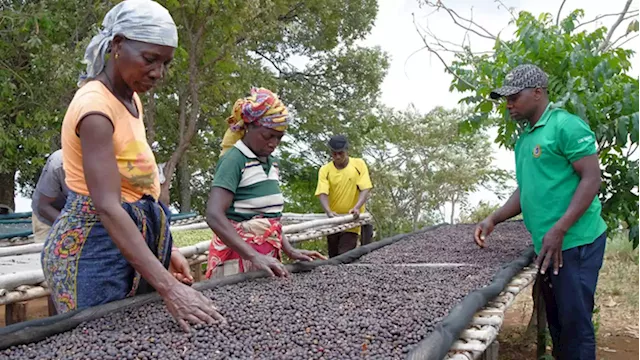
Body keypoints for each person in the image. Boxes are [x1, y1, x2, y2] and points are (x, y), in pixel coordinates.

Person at [40, 0, 222, 332]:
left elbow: (138, 188)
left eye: (165, 63)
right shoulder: (95, 109)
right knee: (101, 339)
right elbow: (108, 206)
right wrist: (168, 286)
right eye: (150, 59)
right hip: (93, 251)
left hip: (127, 241)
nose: (158, 73)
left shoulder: (130, 98)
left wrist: (166, 250)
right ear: (118, 45)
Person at [474, 64, 607, 360]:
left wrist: (559, 229)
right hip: (548, 245)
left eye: (514, 97)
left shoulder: (565, 126)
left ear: (537, 93)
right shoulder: (525, 140)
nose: (508, 105)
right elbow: (526, 190)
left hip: (576, 242)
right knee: (559, 325)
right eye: (505, 99)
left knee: (575, 326)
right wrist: (493, 218)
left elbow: (591, 178)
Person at [204, 87, 326, 279]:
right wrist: (254, 256)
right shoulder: (234, 159)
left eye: (279, 137)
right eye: (268, 136)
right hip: (237, 261)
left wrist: (290, 251)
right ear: (249, 127)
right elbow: (214, 215)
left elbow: (271, 219)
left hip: (265, 260)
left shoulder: (271, 163)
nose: (273, 143)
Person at [314, 135, 373, 258]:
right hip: (334, 221)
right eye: (334, 154)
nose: (338, 157)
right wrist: (329, 212)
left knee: (344, 256)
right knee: (333, 257)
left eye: (340, 153)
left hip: (351, 220)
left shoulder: (358, 164)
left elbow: (365, 188)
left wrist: (357, 207)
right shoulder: (325, 170)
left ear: (347, 151)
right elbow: (322, 193)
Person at [31, 150, 69, 243]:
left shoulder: (106, 160)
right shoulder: (58, 162)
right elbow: (43, 206)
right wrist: (72, 226)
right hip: (47, 217)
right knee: (46, 252)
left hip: (79, 217)